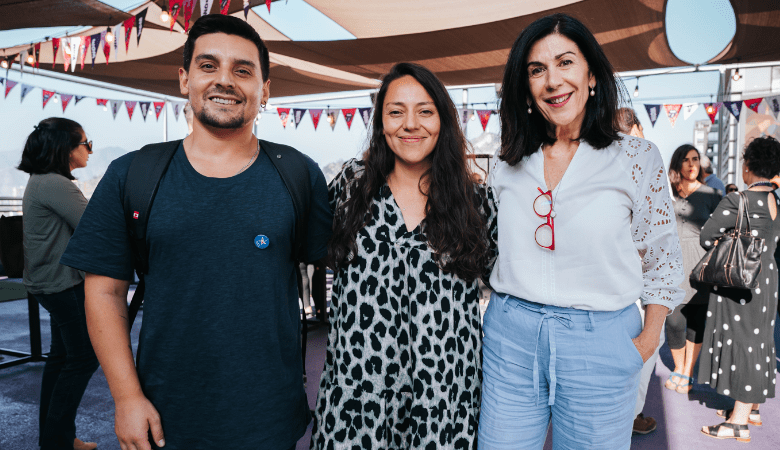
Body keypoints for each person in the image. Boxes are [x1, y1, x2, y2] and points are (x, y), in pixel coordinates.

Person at [60, 14, 332, 450]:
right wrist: (126, 397)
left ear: (265, 90)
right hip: (165, 415)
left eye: (243, 70)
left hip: (270, 414)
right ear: (184, 79)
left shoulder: (298, 174)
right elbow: (105, 293)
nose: (225, 80)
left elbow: (348, 269)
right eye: (208, 66)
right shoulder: (133, 173)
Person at [478, 14, 684, 449]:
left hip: (602, 344)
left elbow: (663, 260)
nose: (553, 80)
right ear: (526, 88)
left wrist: (645, 342)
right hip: (510, 343)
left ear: (591, 75)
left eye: (566, 62)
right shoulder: (507, 163)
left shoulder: (637, 158)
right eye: (537, 69)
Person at [311, 62, 498, 449]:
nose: (410, 124)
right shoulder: (351, 187)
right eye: (396, 111)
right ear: (381, 122)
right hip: (358, 400)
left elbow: (509, 281)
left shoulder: (475, 201)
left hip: (444, 402)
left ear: (443, 120)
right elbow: (306, 247)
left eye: (425, 111)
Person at [18, 118, 99, 450]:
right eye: (85, 143)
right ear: (66, 148)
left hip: (47, 282)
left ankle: (57, 438)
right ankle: (57, 442)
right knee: (84, 357)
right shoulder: (55, 183)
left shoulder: (41, 180)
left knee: (62, 357)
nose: (90, 149)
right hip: (62, 283)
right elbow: (94, 226)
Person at [698, 136, 780, 443]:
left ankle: (738, 423)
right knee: (759, 340)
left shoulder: (738, 200)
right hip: (767, 278)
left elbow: (707, 236)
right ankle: (752, 408)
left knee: (744, 341)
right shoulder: (776, 202)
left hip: (741, 280)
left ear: (747, 167)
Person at [616, 107, 662, 435]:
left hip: (625, 275)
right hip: (637, 276)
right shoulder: (642, 158)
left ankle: (630, 413)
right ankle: (631, 414)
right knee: (645, 348)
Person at [663, 144, 721, 394]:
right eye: (686, 159)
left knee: (697, 321)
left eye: (695, 159)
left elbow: (724, 229)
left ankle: (686, 372)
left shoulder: (712, 194)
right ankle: (678, 367)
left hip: (701, 265)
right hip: (673, 265)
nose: (691, 164)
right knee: (674, 320)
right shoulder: (667, 193)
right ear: (678, 164)